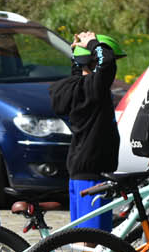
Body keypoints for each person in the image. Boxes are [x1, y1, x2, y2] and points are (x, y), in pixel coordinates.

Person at [49, 31, 124, 233]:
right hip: (93, 175)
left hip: (78, 172)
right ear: (93, 64)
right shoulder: (94, 88)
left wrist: (78, 56)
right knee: (94, 242)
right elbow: (107, 65)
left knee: (81, 241)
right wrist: (92, 43)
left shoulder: (75, 88)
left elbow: (83, 71)